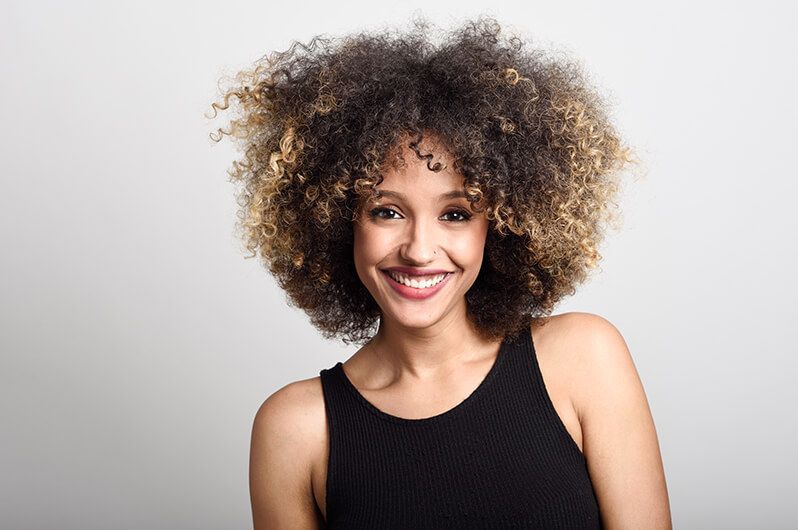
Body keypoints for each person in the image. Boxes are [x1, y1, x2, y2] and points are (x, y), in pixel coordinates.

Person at [209, 15, 671, 529]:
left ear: (500, 225)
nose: (420, 250)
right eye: (386, 210)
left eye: (455, 213)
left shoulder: (583, 358)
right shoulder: (296, 430)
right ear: (340, 222)